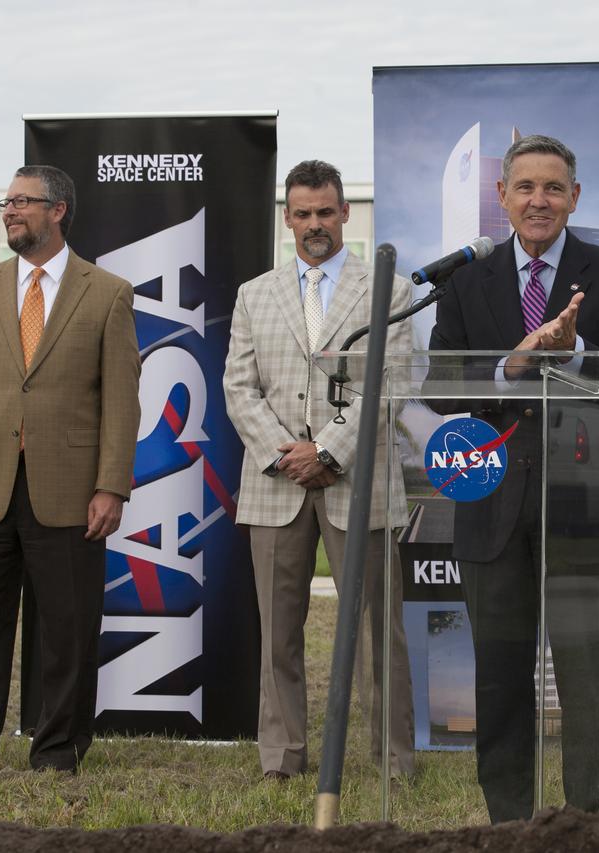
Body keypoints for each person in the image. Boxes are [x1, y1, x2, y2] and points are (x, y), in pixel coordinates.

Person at [428, 134, 599, 822]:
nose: (538, 200)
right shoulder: (467, 278)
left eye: (553, 188)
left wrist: (577, 350)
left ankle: (587, 821)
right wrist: (513, 364)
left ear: (575, 197)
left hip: (584, 511)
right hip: (492, 510)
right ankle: (509, 823)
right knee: (500, 679)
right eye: (525, 187)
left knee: (586, 684)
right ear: (502, 197)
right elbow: (441, 385)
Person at [0, 165, 141, 773]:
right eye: (6, 202)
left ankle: (57, 752)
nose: (9, 211)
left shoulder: (106, 292)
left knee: (67, 633)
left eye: (22, 202)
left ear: (58, 210)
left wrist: (111, 485)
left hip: (72, 491)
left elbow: (120, 400)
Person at [223, 159, 415, 780]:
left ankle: (392, 758)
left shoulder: (392, 290)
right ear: (287, 218)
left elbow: (393, 383)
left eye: (325, 212)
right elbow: (238, 388)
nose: (314, 224)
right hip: (275, 483)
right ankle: (282, 757)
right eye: (302, 213)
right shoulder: (255, 294)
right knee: (278, 632)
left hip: (360, 482)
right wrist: (287, 453)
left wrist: (329, 450)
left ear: (345, 214)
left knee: (378, 631)